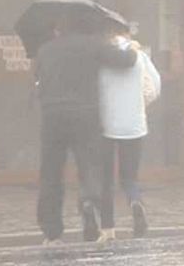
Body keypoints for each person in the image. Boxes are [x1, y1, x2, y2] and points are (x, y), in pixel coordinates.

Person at [34, 13, 138, 245]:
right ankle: (90, 205)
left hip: (52, 116)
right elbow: (127, 60)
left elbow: (39, 79)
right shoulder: (94, 45)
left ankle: (51, 232)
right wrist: (132, 47)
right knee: (91, 167)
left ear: (61, 28)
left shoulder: (45, 49)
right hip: (85, 116)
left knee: (50, 173)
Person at [96, 32, 161, 243]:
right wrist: (138, 104)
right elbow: (154, 87)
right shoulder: (139, 55)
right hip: (134, 125)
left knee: (105, 179)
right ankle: (135, 200)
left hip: (105, 125)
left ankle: (107, 228)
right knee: (129, 176)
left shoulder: (100, 57)